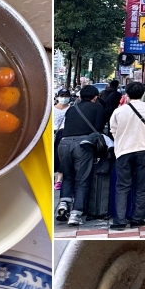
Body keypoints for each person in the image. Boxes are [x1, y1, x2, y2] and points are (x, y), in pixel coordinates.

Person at [108, 82, 145, 229]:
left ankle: (119, 221)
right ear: (143, 93)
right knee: (141, 186)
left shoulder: (119, 111)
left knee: (122, 186)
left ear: (127, 94)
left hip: (124, 150)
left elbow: (113, 130)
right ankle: (138, 218)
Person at [54, 85, 105, 225]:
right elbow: (98, 130)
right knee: (82, 179)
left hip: (63, 144)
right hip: (82, 145)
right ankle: (76, 214)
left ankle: (63, 204)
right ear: (95, 97)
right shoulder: (97, 108)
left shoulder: (71, 109)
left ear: (80, 96)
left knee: (67, 176)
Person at [53, 89, 72, 193]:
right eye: (62, 95)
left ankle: (59, 180)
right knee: (53, 157)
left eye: (66, 96)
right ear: (57, 97)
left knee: (62, 158)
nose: (64, 98)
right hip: (53, 135)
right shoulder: (52, 109)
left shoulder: (71, 109)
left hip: (64, 135)